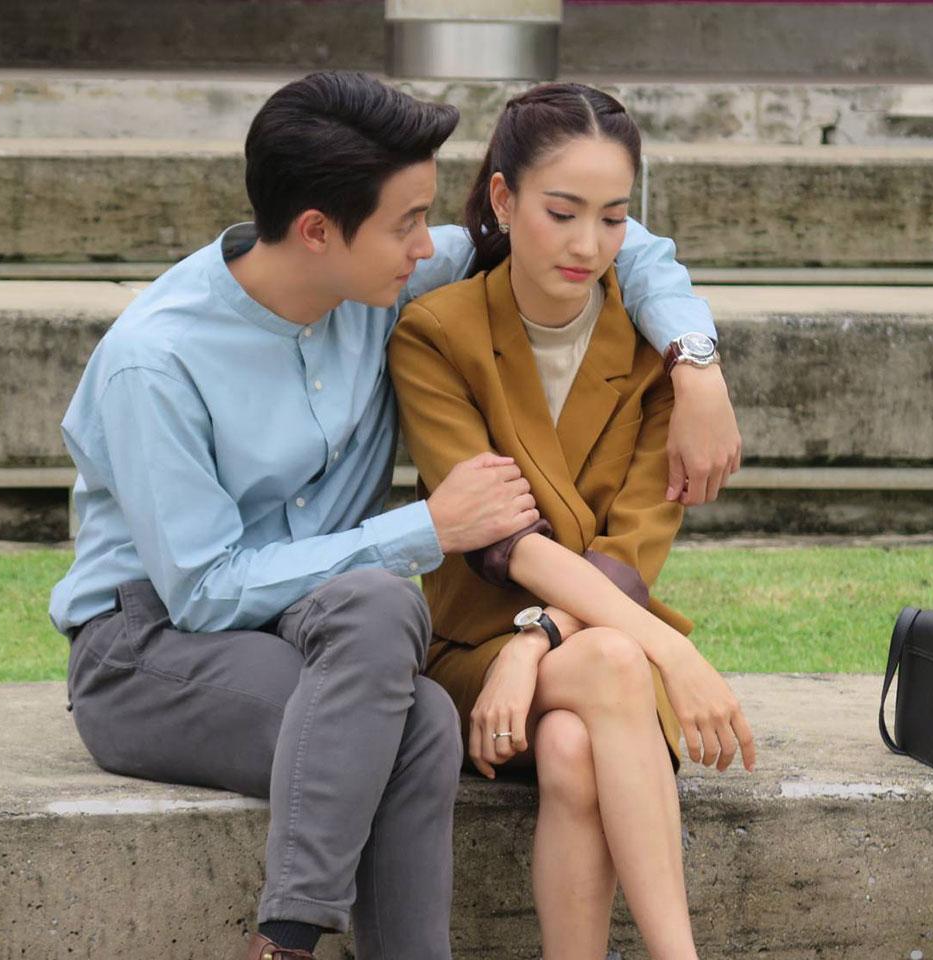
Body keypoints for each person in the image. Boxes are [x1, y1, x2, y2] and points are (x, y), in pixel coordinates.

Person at [48, 72, 741, 960]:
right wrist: (427, 529)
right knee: (415, 718)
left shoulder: (380, 278)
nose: (430, 245)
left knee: (385, 622)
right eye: (408, 222)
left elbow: (603, 234)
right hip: (152, 649)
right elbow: (206, 591)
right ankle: (289, 942)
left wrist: (695, 364)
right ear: (317, 231)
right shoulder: (155, 362)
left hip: (327, 632)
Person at [388, 83, 756, 960]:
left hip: (582, 648)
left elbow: (631, 551)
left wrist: (536, 644)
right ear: (504, 198)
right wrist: (673, 652)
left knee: (567, 746)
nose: (588, 245)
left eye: (614, 218)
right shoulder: (436, 334)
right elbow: (498, 539)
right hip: (472, 656)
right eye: (562, 213)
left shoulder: (655, 355)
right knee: (621, 662)